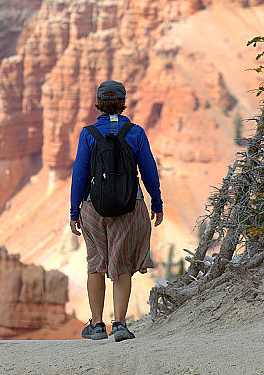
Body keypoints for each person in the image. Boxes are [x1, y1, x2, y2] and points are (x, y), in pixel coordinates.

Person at [69, 80, 163, 342]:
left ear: (98, 103)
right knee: (121, 266)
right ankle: (120, 325)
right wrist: (156, 203)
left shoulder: (88, 133)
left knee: (95, 264)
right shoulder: (135, 132)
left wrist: (74, 211)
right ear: (123, 103)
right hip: (129, 207)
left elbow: (79, 175)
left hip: (92, 207)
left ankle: (97, 325)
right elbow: (148, 171)